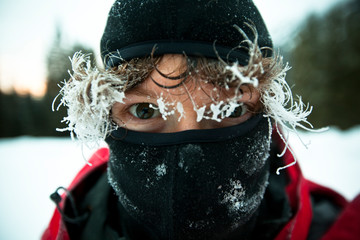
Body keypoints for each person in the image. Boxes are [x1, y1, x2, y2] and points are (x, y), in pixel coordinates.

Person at [42, 0, 360, 239]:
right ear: (107, 117)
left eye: (230, 110)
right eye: (145, 111)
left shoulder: (335, 228)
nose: (187, 158)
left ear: (267, 116)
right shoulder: (72, 223)